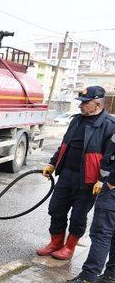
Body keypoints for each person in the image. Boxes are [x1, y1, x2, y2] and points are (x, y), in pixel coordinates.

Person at [37, 86, 115, 260]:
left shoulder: (108, 125)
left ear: (97, 103)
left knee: (78, 215)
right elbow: (64, 144)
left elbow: (110, 159)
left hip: (88, 180)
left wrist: (103, 179)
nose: (80, 106)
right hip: (66, 175)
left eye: (85, 103)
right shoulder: (76, 120)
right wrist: (52, 163)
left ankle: (69, 247)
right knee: (56, 209)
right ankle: (56, 242)